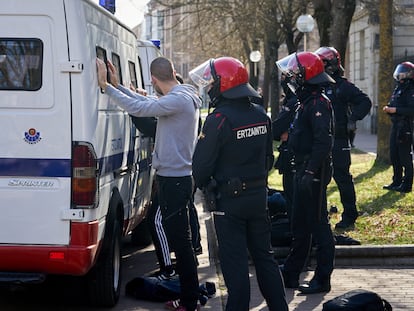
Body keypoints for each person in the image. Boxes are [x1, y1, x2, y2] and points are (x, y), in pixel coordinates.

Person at [96, 56, 201, 311]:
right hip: (177, 179)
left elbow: (141, 109)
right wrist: (118, 86)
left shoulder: (178, 99)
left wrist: (106, 88)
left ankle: (189, 301)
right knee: (182, 242)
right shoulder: (183, 93)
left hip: (175, 181)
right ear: (173, 72)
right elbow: (147, 102)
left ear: (153, 79)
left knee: (182, 245)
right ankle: (191, 297)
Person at [190, 57, 288, 311]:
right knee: (265, 258)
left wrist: (207, 186)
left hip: (229, 201)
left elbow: (200, 167)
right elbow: (269, 158)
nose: (208, 86)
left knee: (235, 264)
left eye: (211, 80)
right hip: (258, 198)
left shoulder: (218, 119)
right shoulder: (260, 115)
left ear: (225, 83)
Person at [276, 51, 336, 294]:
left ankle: (323, 278)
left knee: (319, 224)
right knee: (299, 223)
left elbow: (324, 142)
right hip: (302, 168)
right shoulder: (306, 101)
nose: (293, 78)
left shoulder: (320, 103)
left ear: (306, 76)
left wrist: (310, 171)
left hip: (315, 171)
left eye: (296, 74)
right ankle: (291, 273)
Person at [315, 46, 372, 231]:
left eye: (322, 63)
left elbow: (365, 101)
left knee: (343, 178)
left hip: (339, 140)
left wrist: (353, 118)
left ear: (331, 64)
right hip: (322, 140)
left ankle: (350, 215)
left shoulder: (342, 86)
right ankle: (319, 214)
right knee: (319, 178)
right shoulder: (318, 85)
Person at [383, 61, 414, 193]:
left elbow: (411, 110)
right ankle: (396, 181)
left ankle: (407, 184)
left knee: (404, 156)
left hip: (406, 126)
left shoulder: (411, 89)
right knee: (394, 154)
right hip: (396, 125)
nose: (399, 74)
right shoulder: (399, 87)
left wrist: (395, 110)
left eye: (402, 71)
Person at [272, 73, 299, 220]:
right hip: (292, 153)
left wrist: (289, 132)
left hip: (293, 154)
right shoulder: (294, 101)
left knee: (292, 196)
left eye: (285, 78)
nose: (283, 81)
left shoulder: (294, 102)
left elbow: (276, 129)